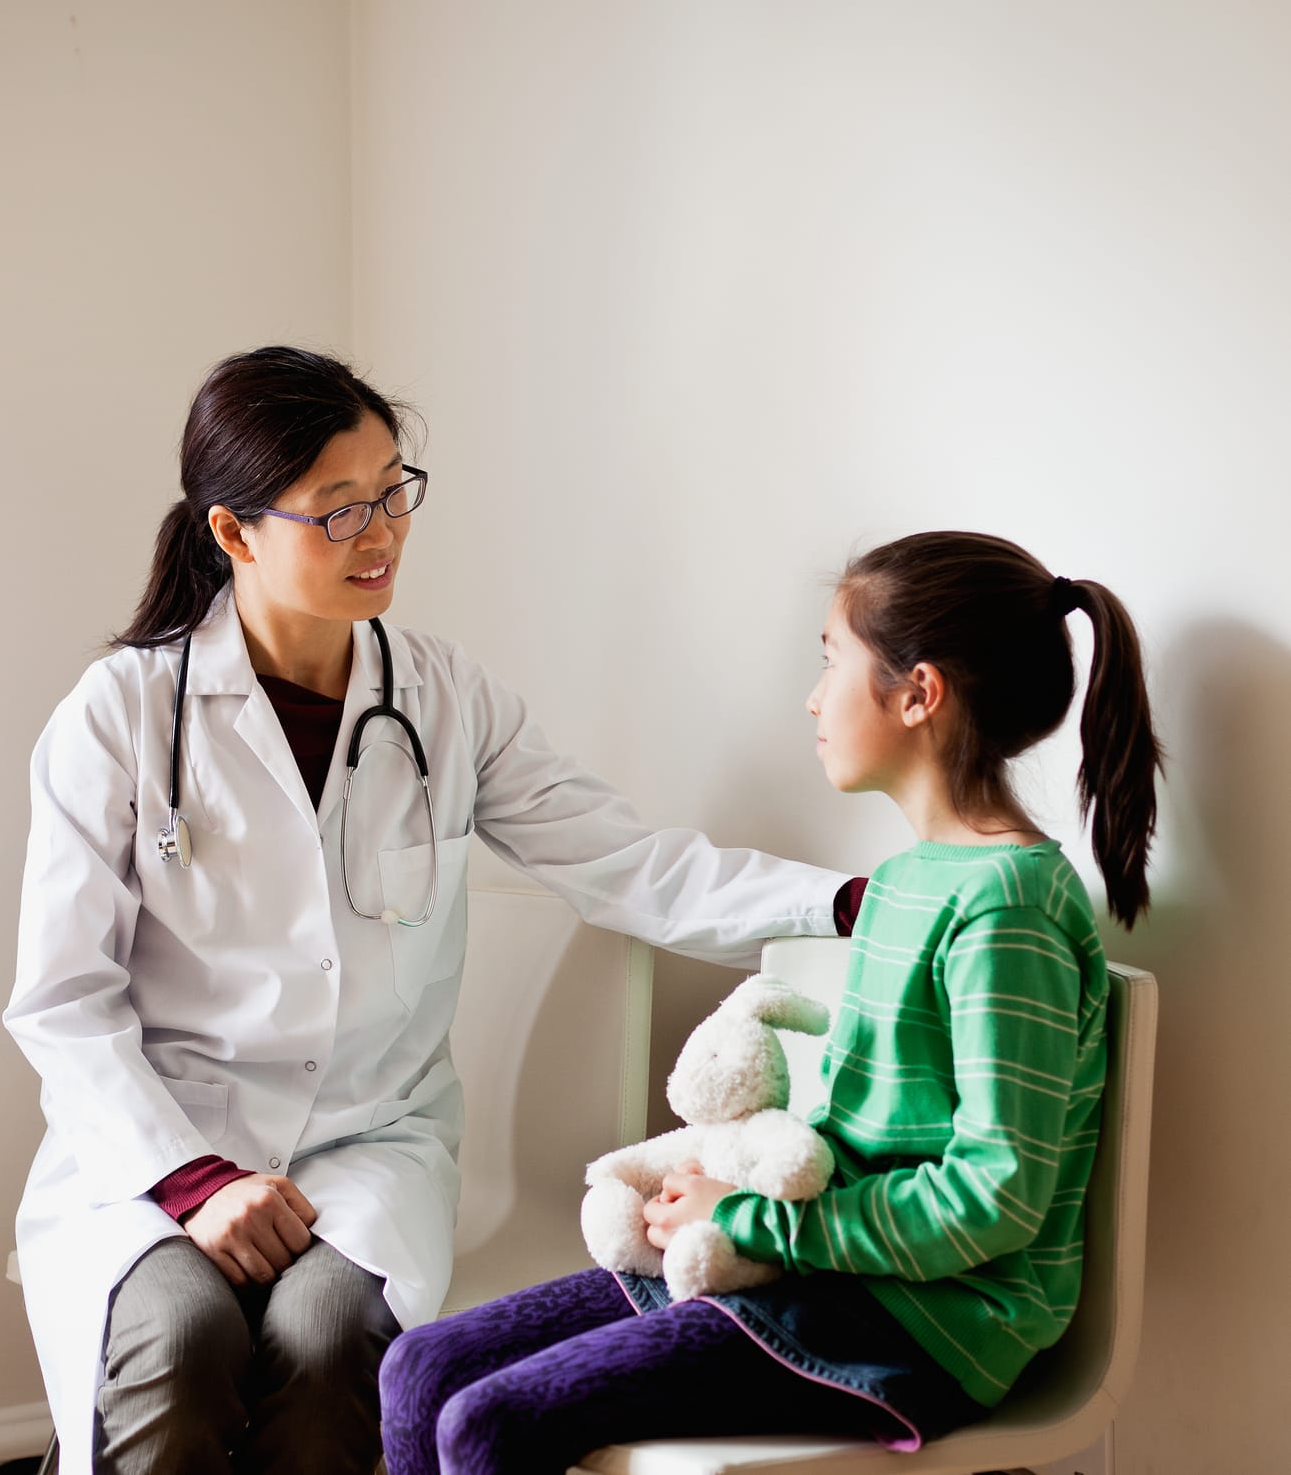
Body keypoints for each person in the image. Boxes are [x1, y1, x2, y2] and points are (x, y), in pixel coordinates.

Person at [3, 345, 857, 1475]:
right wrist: (192, 1180)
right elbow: (63, 1002)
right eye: (336, 510)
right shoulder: (117, 715)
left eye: (392, 489)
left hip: (367, 1139)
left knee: (323, 1341)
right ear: (232, 531)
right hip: (163, 1145)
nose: (382, 532)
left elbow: (630, 864)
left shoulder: (444, 699)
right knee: (180, 1333)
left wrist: (850, 901)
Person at [378, 529, 1163, 1475]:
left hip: (915, 1326)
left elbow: (993, 1200)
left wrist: (749, 1221)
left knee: (488, 1426)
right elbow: (854, 1128)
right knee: (419, 1367)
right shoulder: (908, 881)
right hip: (814, 1272)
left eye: (832, 662)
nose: (813, 696)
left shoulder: (1011, 907)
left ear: (919, 693)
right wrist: (724, 1190)